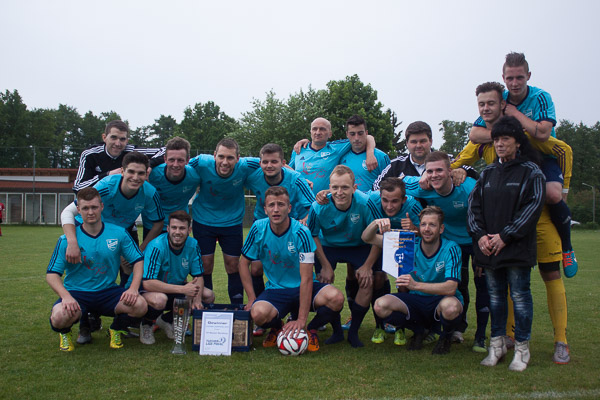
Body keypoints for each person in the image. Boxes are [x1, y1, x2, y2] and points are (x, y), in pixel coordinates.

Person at [455, 81, 573, 364]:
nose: (486, 109)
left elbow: (563, 150)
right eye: (481, 105)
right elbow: (463, 159)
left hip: (533, 223)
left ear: (504, 104)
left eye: (491, 104)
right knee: (502, 287)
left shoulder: (531, 147)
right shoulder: (482, 141)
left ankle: (561, 340)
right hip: (498, 228)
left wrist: (565, 187)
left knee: (546, 276)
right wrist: (454, 169)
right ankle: (506, 337)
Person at [469, 53, 577, 275]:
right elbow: (474, 133)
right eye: (510, 78)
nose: (514, 83)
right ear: (503, 77)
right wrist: (503, 135)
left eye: (519, 77)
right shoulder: (500, 98)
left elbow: (543, 133)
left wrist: (515, 115)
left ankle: (567, 247)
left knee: (553, 194)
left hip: (542, 157)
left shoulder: (540, 97)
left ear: (528, 76)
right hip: (513, 161)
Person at [61, 152, 164, 343]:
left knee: (130, 274)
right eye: (131, 172)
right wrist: (72, 241)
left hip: (119, 234)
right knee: (88, 275)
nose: (135, 177)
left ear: (146, 174)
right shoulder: (106, 187)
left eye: (141, 173)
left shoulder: (149, 192)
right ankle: (85, 325)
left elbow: (158, 223)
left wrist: (140, 248)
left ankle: (120, 325)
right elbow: (69, 211)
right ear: (122, 171)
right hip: (89, 231)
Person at [468, 116, 545, 372]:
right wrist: (481, 235)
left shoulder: (531, 172)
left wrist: (505, 235)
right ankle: (496, 345)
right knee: (495, 299)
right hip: (488, 248)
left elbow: (532, 208)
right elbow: (474, 208)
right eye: (497, 139)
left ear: (517, 142)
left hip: (515, 248)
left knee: (520, 298)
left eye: (506, 139)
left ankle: (522, 349)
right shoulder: (488, 172)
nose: (500, 144)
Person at [238, 186, 345, 351]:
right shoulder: (258, 228)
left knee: (336, 298)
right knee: (257, 313)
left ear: (289, 208)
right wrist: (252, 297)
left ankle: (309, 329)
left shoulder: (301, 232)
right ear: (265, 209)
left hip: (303, 286)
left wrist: (302, 319)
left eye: (281, 204)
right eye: (271, 205)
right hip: (276, 290)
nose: (276, 209)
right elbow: (243, 262)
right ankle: (278, 328)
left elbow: (307, 278)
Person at [46, 187, 148, 351]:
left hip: (107, 292)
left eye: (94, 207)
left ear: (102, 206)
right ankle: (65, 332)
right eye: (85, 208)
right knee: (59, 317)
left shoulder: (119, 233)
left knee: (140, 305)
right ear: (78, 210)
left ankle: (115, 328)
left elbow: (138, 260)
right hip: (77, 293)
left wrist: (134, 288)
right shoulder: (67, 240)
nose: (90, 212)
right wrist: (66, 297)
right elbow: (52, 275)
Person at [402, 151, 482, 349]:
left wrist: (481, 249)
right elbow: (392, 185)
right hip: (450, 241)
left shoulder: (468, 187)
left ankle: (481, 336)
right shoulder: (424, 186)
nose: (434, 175)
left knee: (484, 285)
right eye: (430, 171)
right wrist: (422, 177)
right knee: (458, 284)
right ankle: (453, 329)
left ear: (450, 171)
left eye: (439, 170)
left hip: (475, 239)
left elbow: (488, 212)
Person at [369, 206, 463, 355]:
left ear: (441, 228)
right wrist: (376, 223)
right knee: (380, 306)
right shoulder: (408, 244)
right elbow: (367, 238)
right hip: (416, 299)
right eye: (423, 224)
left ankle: (445, 337)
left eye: (432, 225)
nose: (427, 229)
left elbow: (451, 288)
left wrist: (415, 285)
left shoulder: (451, 248)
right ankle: (419, 331)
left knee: (451, 307)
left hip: (441, 300)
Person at [244, 143, 316, 334]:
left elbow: (313, 207)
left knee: (299, 266)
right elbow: (234, 166)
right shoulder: (253, 173)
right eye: (265, 162)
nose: (269, 165)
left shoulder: (296, 179)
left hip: (293, 224)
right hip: (263, 224)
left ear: (283, 163)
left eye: (274, 162)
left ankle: (300, 314)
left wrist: (303, 221)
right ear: (259, 163)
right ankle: (263, 307)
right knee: (257, 267)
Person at [307, 165, 380, 348]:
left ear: (354, 188)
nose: (339, 192)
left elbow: (379, 236)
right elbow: (313, 234)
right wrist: (325, 265)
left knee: (366, 281)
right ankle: (337, 331)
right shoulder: (318, 206)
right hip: (328, 246)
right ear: (329, 188)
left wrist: (367, 266)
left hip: (358, 246)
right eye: (335, 187)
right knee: (324, 284)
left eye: (345, 187)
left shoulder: (365, 202)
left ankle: (353, 331)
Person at [188, 138, 260, 305]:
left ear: (238, 158)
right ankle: (205, 306)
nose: (225, 162)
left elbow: (274, 163)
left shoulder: (247, 165)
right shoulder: (201, 162)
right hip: (203, 220)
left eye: (230, 158)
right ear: (214, 155)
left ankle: (237, 308)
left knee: (233, 264)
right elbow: (178, 166)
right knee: (205, 265)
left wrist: (297, 175)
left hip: (232, 222)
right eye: (221, 156)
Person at [136, 211, 214, 345]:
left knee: (207, 295)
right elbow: (148, 283)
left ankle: (166, 320)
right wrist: (183, 289)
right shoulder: (157, 246)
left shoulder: (193, 244)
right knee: (160, 299)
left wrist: (197, 299)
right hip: (149, 290)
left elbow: (199, 276)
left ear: (189, 230)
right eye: (174, 228)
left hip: (175, 288)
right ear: (168, 229)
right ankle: (147, 324)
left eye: (182, 228)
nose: (177, 232)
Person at [363, 177, 422, 345]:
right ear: (379, 196)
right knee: (379, 279)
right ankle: (379, 326)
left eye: (395, 201)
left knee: (403, 283)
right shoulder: (372, 200)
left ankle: (401, 328)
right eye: (385, 200)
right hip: (380, 243)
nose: (389, 206)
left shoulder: (413, 206)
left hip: (405, 246)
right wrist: (325, 193)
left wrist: (414, 228)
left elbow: (426, 233)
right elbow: (352, 192)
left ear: (403, 199)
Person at [289, 117, 377, 194]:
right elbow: (287, 171)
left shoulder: (336, 148)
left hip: (324, 203)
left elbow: (368, 137)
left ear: (330, 134)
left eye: (322, 129)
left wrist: (370, 155)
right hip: (299, 206)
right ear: (310, 131)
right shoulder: (299, 149)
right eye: (315, 129)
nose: (318, 132)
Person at [73, 120, 164, 192]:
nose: (118, 143)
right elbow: (78, 187)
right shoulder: (90, 154)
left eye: (122, 139)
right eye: (114, 138)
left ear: (127, 141)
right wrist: (107, 175)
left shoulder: (132, 151)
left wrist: (150, 165)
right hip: (99, 202)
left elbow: (165, 150)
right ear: (104, 138)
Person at [142, 136, 201, 238]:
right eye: (171, 160)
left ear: (187, 160)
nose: (175, 164)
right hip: (152, 226)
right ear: (165, 159)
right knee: (151, 254)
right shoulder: (151, 174)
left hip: (179, 226)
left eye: (180, 160)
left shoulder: (194, 177)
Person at [339, 115, 390, 192]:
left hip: (373, 203)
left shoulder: (381, 157)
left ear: (366, 133)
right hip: (348, 203)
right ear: (347, 134)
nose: (356, 138)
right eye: (352, 134)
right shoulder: (341, 156)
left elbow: (390, 185)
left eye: (360, 133)